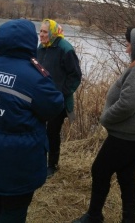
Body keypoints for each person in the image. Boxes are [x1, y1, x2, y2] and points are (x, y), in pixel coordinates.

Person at [0, 19, 64, 223]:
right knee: (13, 209)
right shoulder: (33, 74)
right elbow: (55, 106)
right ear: (29, 42)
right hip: (18, 160)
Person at [73, 25, 135, 223]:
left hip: (128, 134)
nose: (126, 49)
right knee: (126, 174)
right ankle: (128, 220)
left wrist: (106, 118)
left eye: (129, 44)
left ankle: (94, 216)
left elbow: (127, 105)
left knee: (100, 170)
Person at [37, 18, 82, 178]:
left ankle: (52, 165)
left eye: (44, 32)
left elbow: (75, 76)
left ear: (53, 33)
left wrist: (61, 93)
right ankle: (39, 160)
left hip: (59, 101)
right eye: (40, 31)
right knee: (39, 129)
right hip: (42, 99)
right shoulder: (42, 48)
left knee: (52, 132)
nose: (40, 35)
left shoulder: (65, 49)